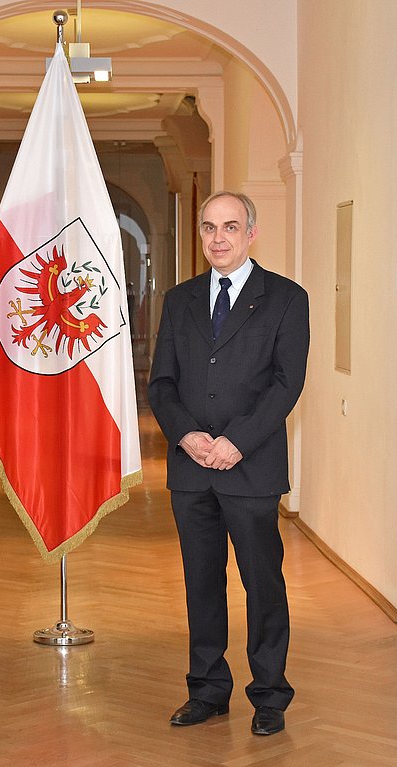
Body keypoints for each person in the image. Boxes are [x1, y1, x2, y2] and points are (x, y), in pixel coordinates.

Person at [148, 191, 309, 736]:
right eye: (209, 227)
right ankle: (208, 688)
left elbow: (287, 385)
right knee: (200, 582)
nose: (218, 238)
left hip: (251, 466)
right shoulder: (179, 300)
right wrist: (185, 434)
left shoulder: (287, 299)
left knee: (261, 582)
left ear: (251, 233)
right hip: (192, 467)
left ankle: (269, 694)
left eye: (230, 227)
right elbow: (161, 383)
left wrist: (236, 442)